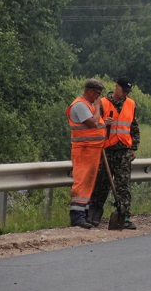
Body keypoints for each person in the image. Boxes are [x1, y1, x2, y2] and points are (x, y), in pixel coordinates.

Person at [88, 76, 140, 229]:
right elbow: (93, 125)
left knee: (123, 185)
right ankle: (94, 216)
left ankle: (124, 217)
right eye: (123, 90)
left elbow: (134, 128)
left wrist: (133, 148)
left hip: (124, 150)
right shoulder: (102, 103)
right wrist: (104, 124)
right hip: (106, 150)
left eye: (127, 91)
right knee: (101, 184)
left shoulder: (131, 104)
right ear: (116, 87)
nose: (125, 94)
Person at [66, 78, 109, 228]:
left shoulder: (88, 105)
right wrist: (97, 107)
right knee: (81, 182)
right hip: (83, 150)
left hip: (92, 150)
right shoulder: (80, 105)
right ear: (90, 91)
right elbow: (93, 123)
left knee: (88, 183)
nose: (99, 98)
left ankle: (84, 215)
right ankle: (77, 217)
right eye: (97, 94)